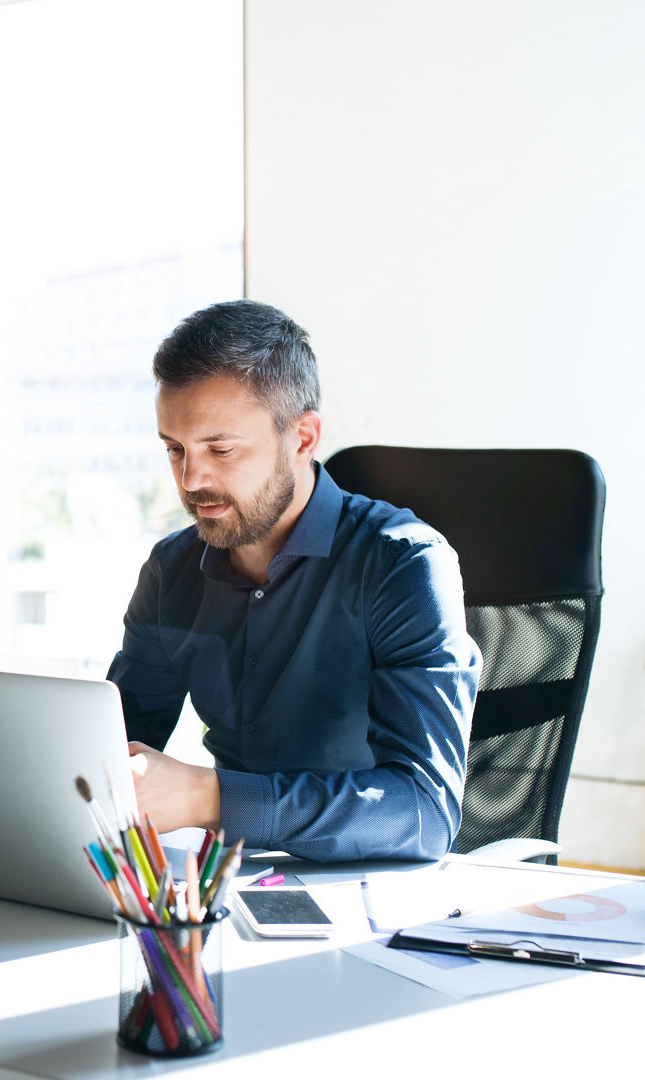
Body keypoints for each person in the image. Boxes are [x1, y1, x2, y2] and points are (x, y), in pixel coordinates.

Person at [108, 300, 481, 862]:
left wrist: (209, 796)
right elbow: (110, 749)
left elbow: (424, 813)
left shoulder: (403, 565)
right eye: (175, 449)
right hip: (232, 883)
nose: (191, 478)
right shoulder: (170, 571)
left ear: (303, 438)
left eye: (221, 448)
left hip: (377, 893)